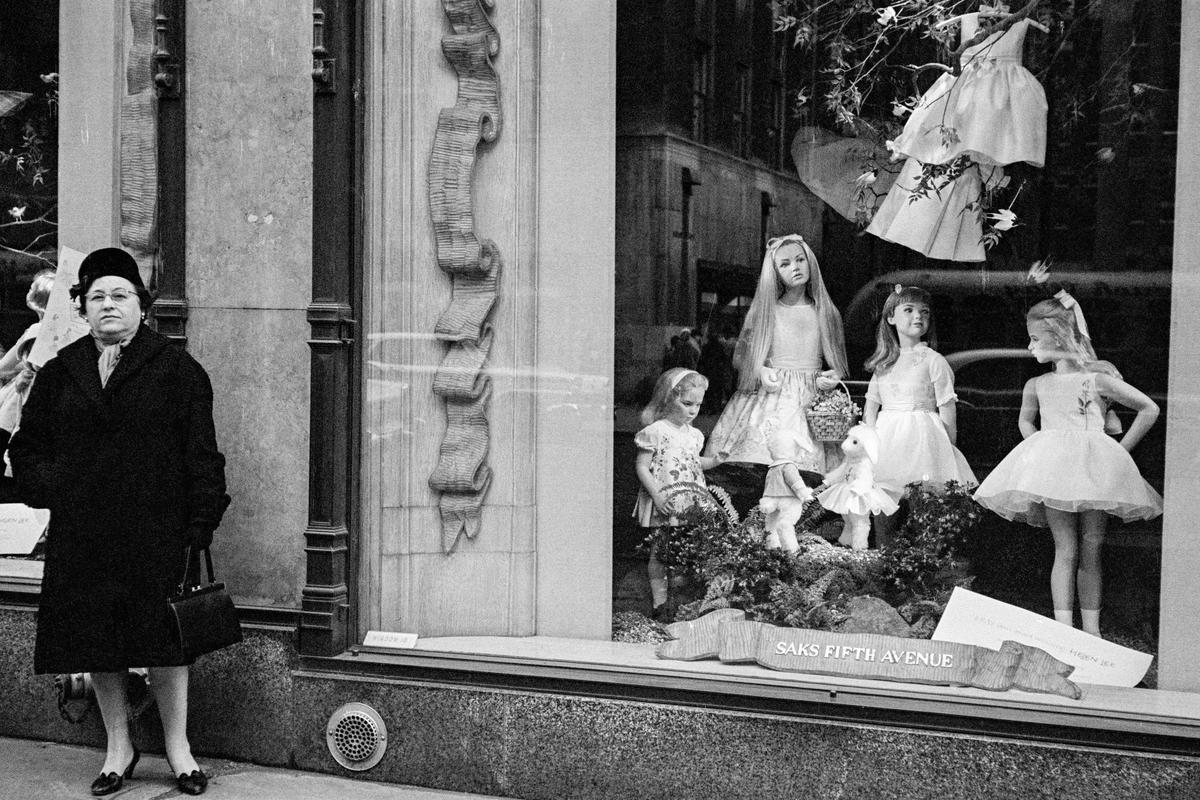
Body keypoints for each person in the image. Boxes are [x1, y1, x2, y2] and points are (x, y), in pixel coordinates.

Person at [9, 247, 230, 796]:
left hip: (156, 532)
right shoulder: (62, 372)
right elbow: (28, 449)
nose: (108, 305)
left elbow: (203, 456)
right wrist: (56, 486)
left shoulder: (177, 371)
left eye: (120, 295)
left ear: (142, 306)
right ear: (82, 308)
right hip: (83, 535)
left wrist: (199, 524)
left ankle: (179, 750)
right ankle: (118, 748)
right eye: (97, 297)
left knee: (165, 645)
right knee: (97, 641)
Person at [972, 293, 1162, 637]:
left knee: (1092, 547)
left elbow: (1149, 408)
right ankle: (1064, 629)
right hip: (1054, 472)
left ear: (1058, 336)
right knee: (1067, 548)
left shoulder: (1095, 381)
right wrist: (1039, 453)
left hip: (1093, 470)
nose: (1029, 347)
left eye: (1034, 339)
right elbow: (1025, 423)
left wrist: (1121, 451)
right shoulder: (1037, 384)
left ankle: (1091, 630)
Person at [866, 9, 1048, 261]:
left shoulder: (1021, 23)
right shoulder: (967, 22)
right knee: (945, 161)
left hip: (1001, 106)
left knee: (983, 169)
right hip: (965, 100)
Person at [704, 234, 849, 470]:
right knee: (763, 462)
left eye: (800, 259)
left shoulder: (826, 312)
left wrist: (832, 377)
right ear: (775, 271)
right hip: (769, 397)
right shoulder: (764, 312)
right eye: (785, 264)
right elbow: (741, 356)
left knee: (806, 469)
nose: (796, 267)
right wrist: (759, 370)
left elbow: (836, 363)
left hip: (811, 399)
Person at [862, 285, 976, 544]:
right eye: (909, 310)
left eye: (924, 312)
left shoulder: (932, 360)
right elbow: (871, 406)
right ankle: (883, 564)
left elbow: (947, 407)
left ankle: (921, 568)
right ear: (891, 317)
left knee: (923, 510)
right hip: (888, 441)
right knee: (884, 508)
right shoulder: (884, 363)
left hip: (923, 440)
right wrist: (869, 443)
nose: (918, 316)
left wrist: (948, 448)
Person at [633, 368, 726, 619]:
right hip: (666, 501)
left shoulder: (695, 435)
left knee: (687, 548)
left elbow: (694, 463)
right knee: (660, 550)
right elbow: (642, 467)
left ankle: (682, 598)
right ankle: (660, 600)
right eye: (687, 403)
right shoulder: (656, 431)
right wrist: (657, 496)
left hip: (690, 501)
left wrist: (714, 461)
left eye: (698, 404)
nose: (693, 410)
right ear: (668, 398)